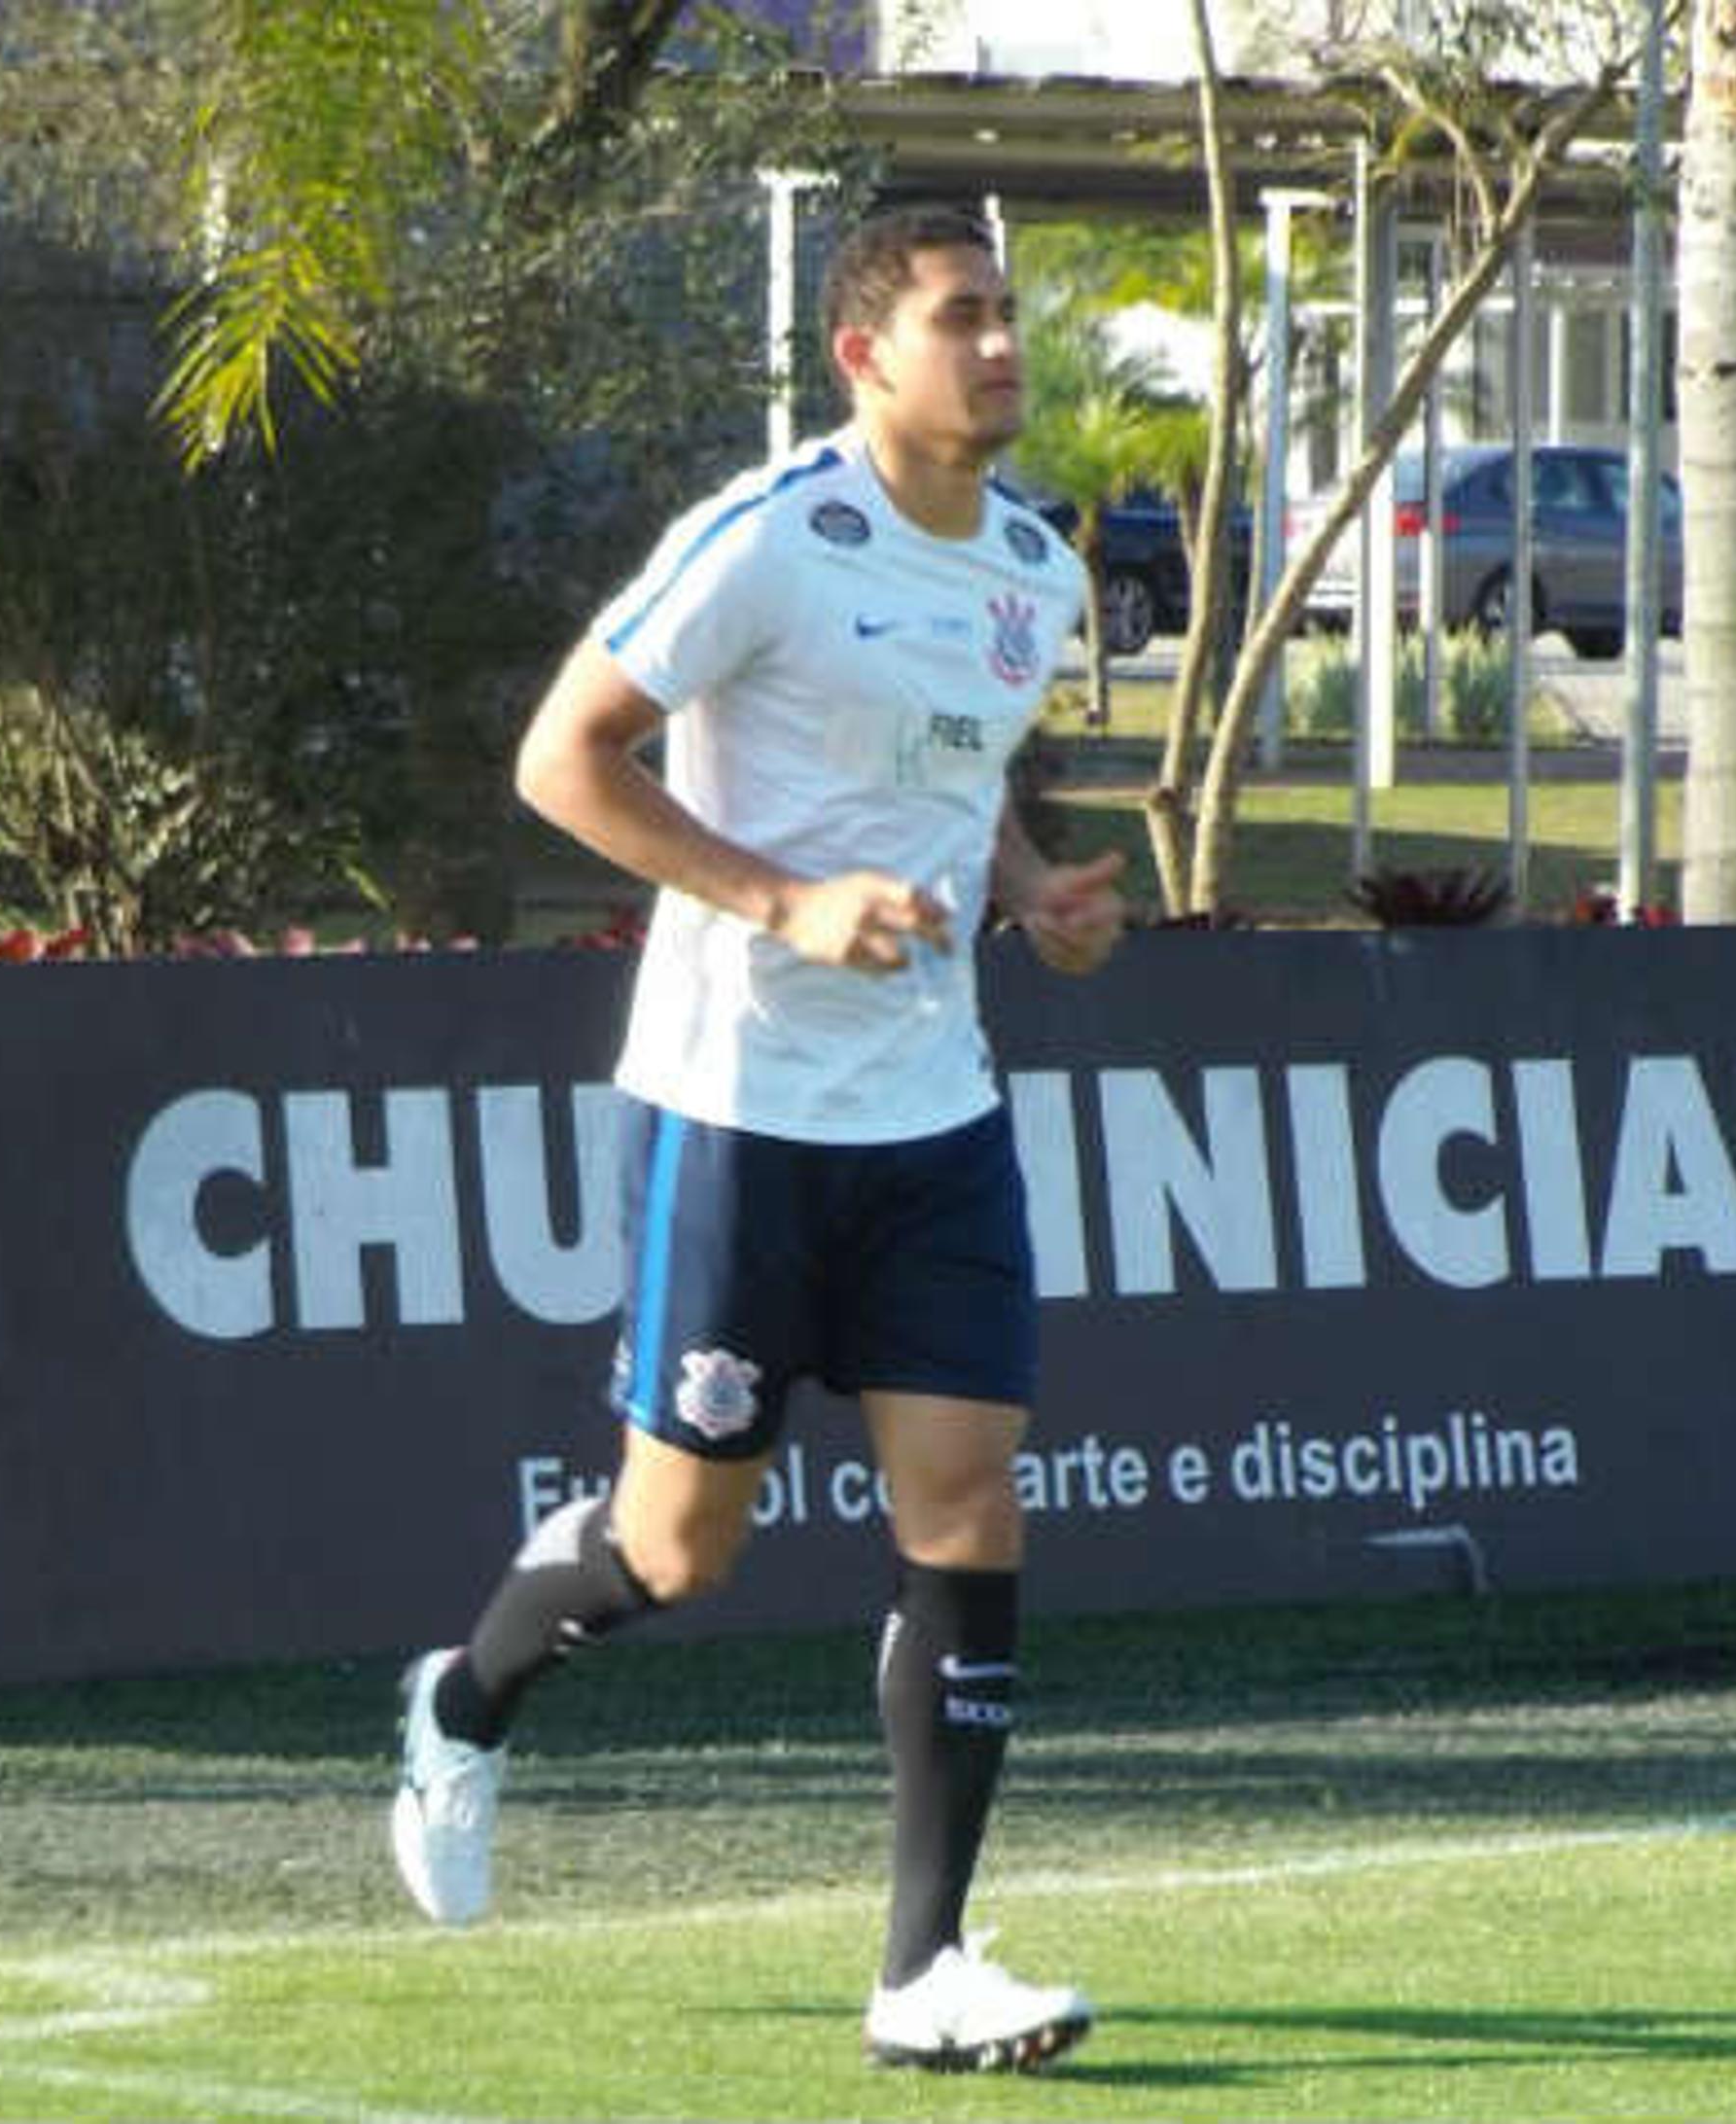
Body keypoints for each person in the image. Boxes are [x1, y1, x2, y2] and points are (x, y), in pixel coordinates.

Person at [385, 198, 1127, 2074]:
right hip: (740, 1110)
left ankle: (923, 1969)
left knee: (965, 1502)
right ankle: (464, 1698)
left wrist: (1035, 886)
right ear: (865, 355)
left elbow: (956, 772)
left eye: (1009, 314)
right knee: (679, 1548)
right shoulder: (772, 536)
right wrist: (783, 901)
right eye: (962, 319)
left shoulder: (1032, 567)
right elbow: (566, 757)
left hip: (937, 1113)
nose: (1004, 346)